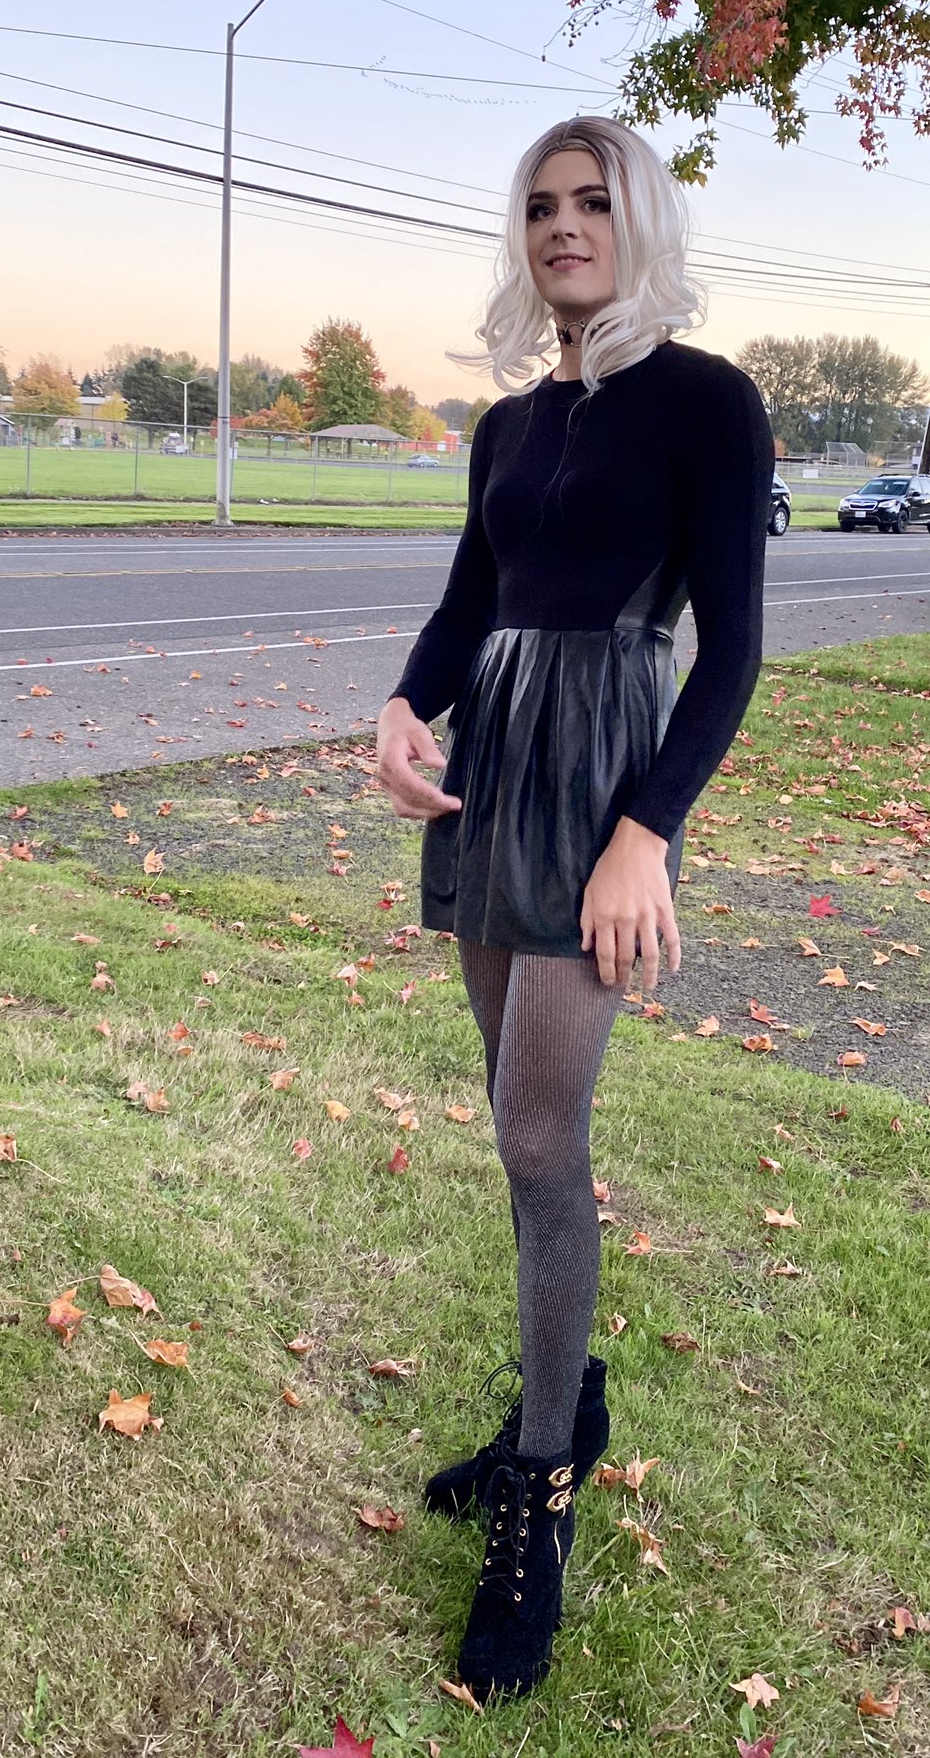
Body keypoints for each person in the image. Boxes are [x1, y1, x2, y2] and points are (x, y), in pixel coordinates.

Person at [376, 117, 774, 1705]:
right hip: (494, 767)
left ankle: (541, 1489)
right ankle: (565, 1399)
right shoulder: (507, 424)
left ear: (639, 220)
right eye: (540, 205)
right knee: (509, 1117)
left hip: (605, 775)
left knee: (544, 1138)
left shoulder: (707, 401)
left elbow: (731, 649)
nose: (562, 226)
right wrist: (403, 706)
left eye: (592, 201)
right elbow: (471, 603)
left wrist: (645, 836)